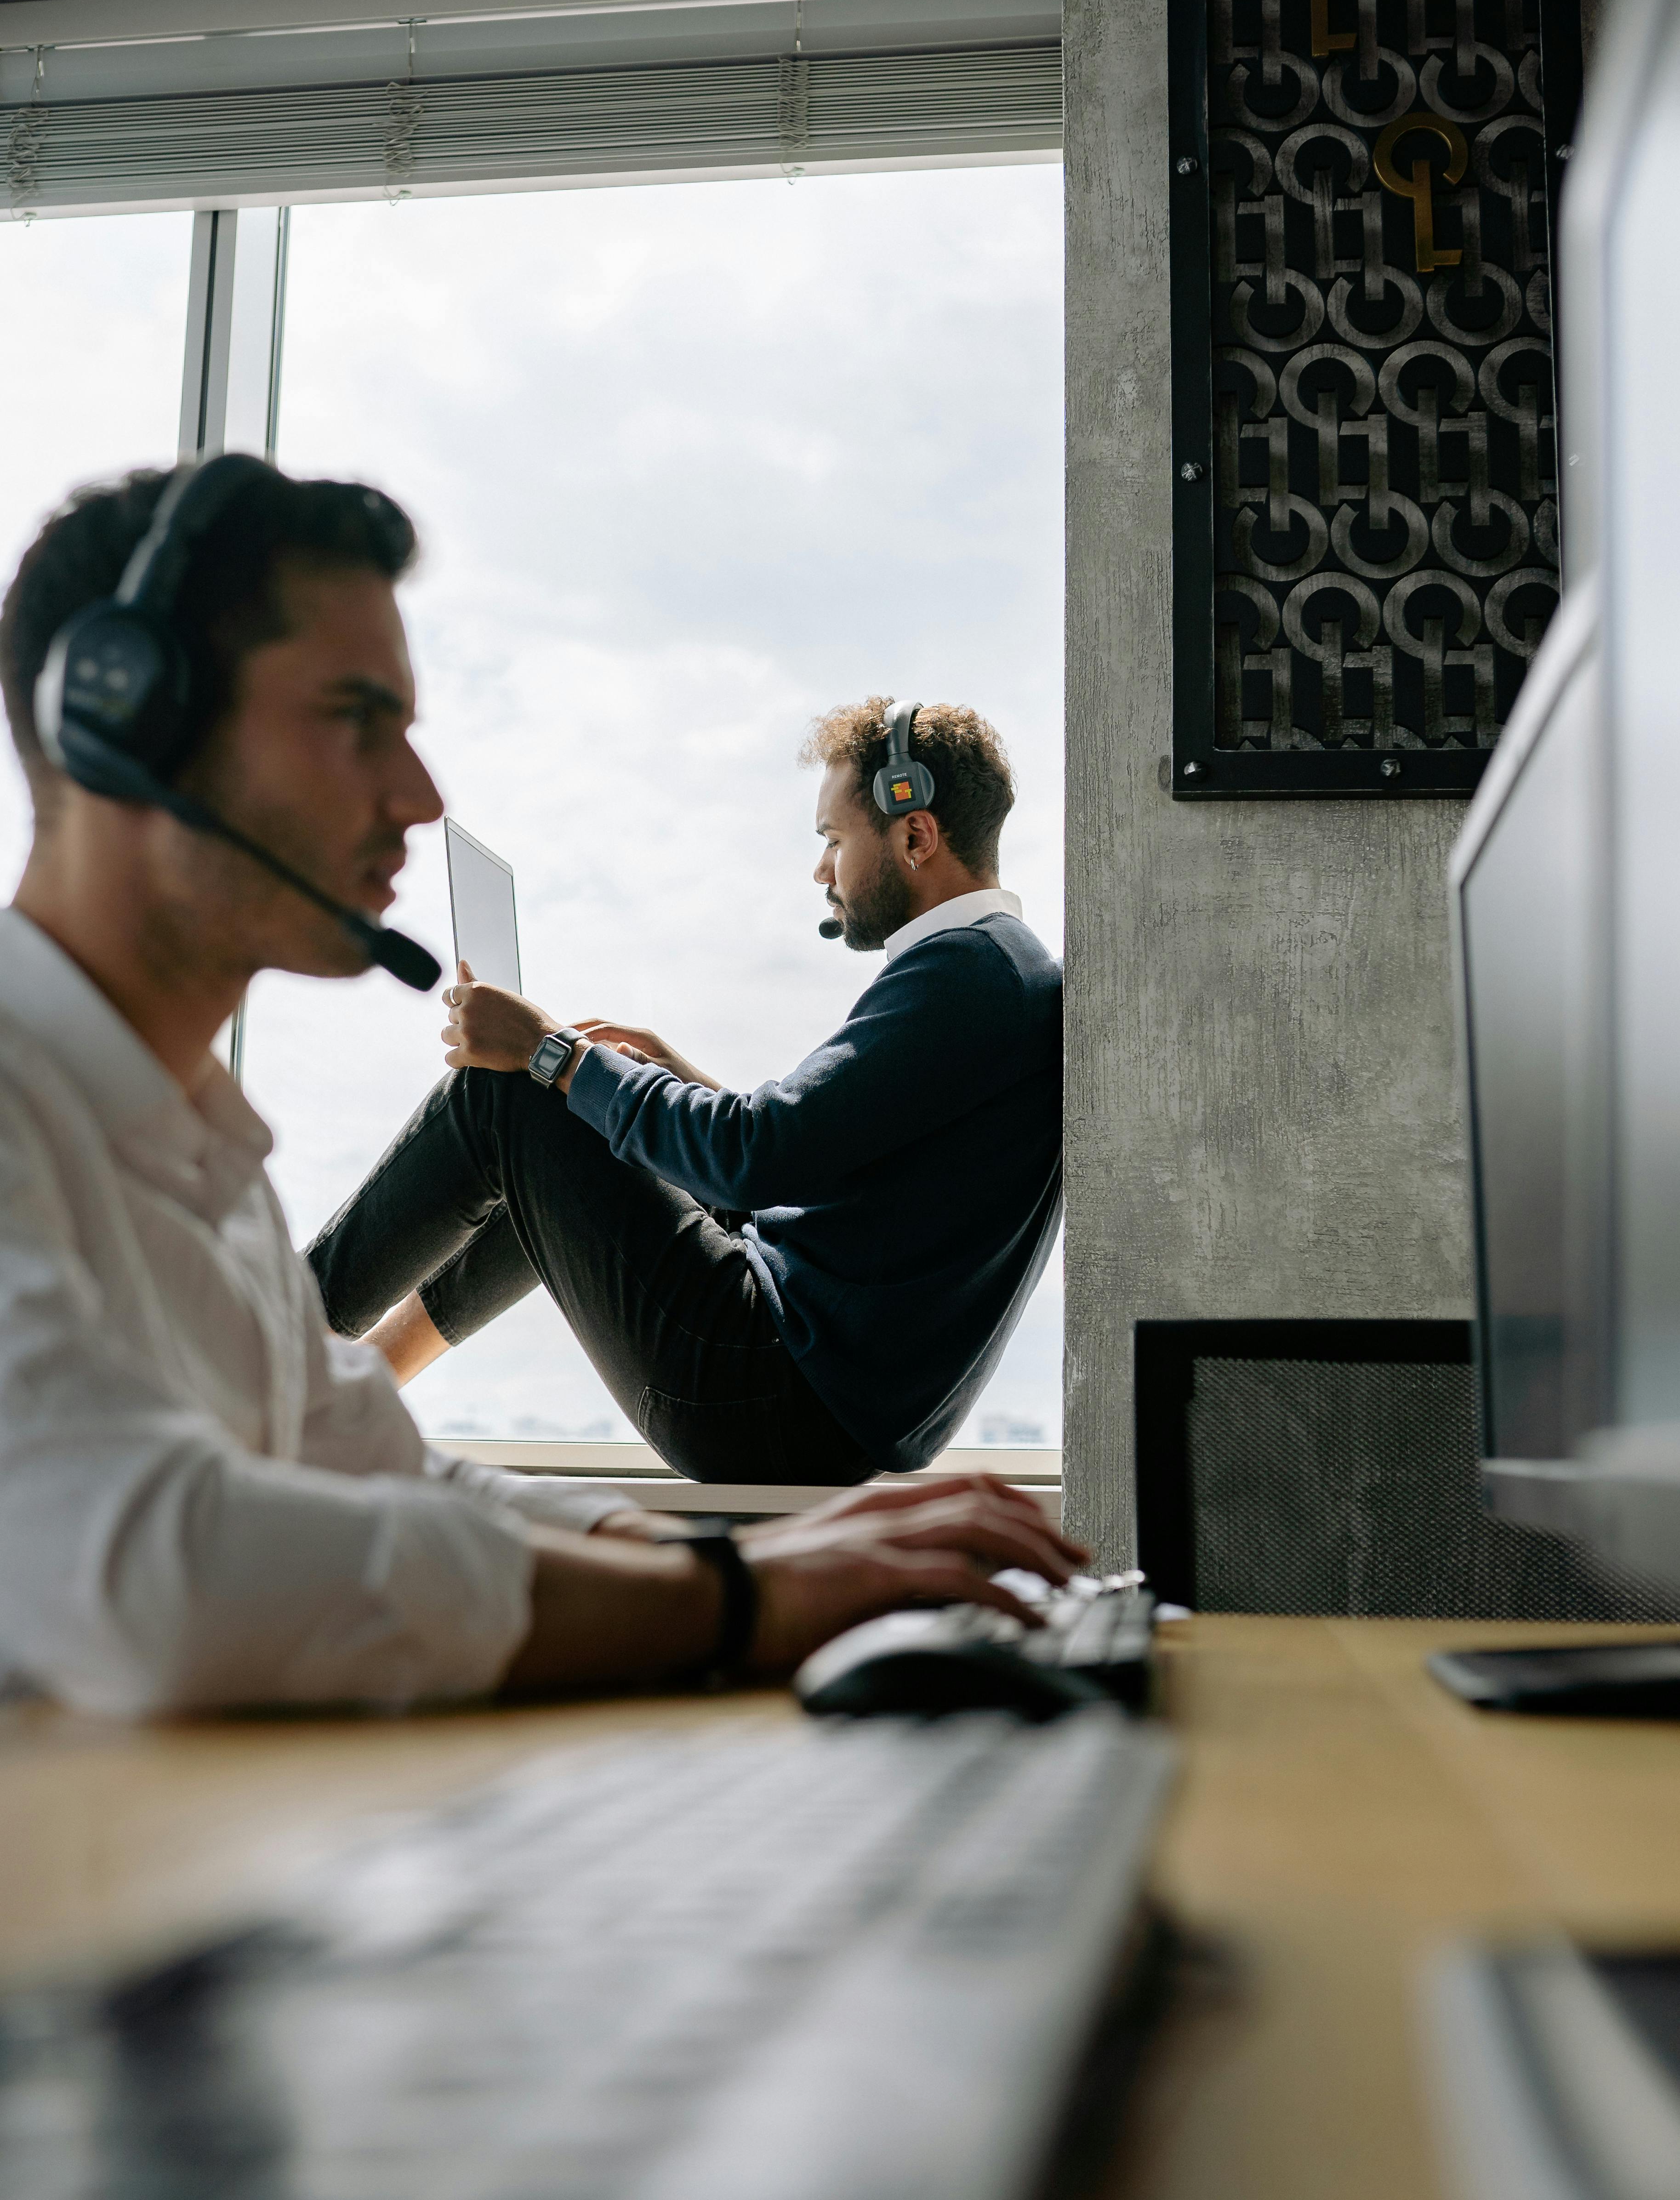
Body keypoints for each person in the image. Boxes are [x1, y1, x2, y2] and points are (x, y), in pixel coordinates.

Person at [0, 458, 1082, 1717]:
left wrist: (735, 1569)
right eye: (358, 719)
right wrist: (731, 1601)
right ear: (121, 722)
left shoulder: (198, 1162)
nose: (421, 796)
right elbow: (172, 1578)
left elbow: (386, 1468)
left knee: (516, 1101)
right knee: (525, 1101)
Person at [307, 696, 1063, 1483]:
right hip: (804, 1399)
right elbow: (802, 1168)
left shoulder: (966, 977)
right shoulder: (997, 973)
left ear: (915, 833)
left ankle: (253, 1344)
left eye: (834, 840)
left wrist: (550, 1054)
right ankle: (360, 1384)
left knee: (508, 1093)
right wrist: (655, 1077)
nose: (821, 870)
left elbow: (753, 1155)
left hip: (767, 1392)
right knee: (589, 1112)